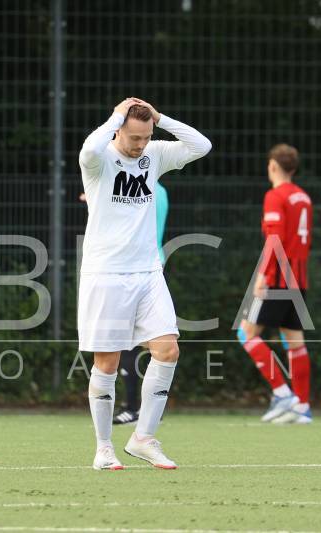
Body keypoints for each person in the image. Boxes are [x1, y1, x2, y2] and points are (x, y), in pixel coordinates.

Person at [78, 97, 211, 470]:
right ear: (118, 130)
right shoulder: (99, 159)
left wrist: (160, 118)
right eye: (134, 137)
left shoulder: (155, 153)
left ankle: (143, 438)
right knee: (107, 362)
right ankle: (104, 448)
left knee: (168, 350)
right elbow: (89, 149)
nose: (140, 145)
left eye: (146, 137)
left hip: (148, 272)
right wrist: (116, 116)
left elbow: (202, 146)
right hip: (106, 274)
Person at [236, 144, 313, 424]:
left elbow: (275, 240)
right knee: (295, 342)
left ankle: (282, 393)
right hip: (299, 279)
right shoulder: (303, 197)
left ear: (272, 166)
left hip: (278, 279)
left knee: (246, 333)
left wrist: (264, 275)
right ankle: (302, 407)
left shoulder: (275, 196)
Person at [113, 181, 169, 426]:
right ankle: (147, 407)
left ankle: (134, 408)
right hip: (152, 265)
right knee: (149, 340)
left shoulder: (134, 189)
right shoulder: (160, 189)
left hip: (136, 268)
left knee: (130, 340)